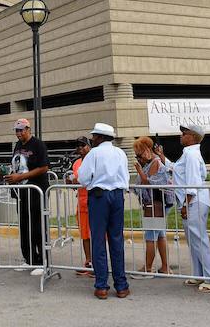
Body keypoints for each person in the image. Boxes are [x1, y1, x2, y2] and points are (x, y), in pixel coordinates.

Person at [77, 123, 130, 299]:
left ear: (99, 137)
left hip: (99, 197)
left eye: (94, 136)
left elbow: (83, 178)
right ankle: (121, 286)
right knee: (116, 240)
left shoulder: (94, 153)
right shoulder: (120, 153)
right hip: (117, 196)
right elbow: (125, 177)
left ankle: (101, 286)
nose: (92, 139)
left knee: (98, 241)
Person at [166, 124, 210, 292]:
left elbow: (193, 181)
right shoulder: (189, 153)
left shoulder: (190, 154)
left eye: (184, 133)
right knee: (194, 240)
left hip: (193, 201)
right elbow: (177, 170)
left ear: (192, 136)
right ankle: (199, 274)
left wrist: (185, 204)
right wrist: (162, 157)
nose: (180, 136)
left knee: (198, 239)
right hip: (193, 201)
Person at [5, 118, 50, 276]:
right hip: (22, 192)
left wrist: (20, 177)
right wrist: (12, 176)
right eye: (16, 130)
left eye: (21, 130)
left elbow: (44, 167)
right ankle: (29, 258)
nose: (18, 133)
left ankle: (42, 261)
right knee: (24, 225)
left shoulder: (38, 144)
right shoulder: (18, 145)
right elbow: (17, 166)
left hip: (36, 190)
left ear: (28, 129)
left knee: (37, 225)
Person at [131, 136, 171, 278]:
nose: (138, 159)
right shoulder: (152, 162)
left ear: (147, 150)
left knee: (151, 236)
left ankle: (148, 268)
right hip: (158, 203)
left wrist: (139, 171)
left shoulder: (155, 162)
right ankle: (165, 267)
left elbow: (149, 183)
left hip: (156, 204)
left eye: (139, 155)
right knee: (160, 235)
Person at [66, 136, 93, 276]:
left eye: (83, 145)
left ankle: (97, 263)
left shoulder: (94, 159)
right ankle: (88, 262)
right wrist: (69, 182)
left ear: (89, 146)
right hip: (81, 202)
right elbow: (74, 185)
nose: (80, 148)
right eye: (78, 146)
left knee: (95, 233)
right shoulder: (76, 163)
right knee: (84, 234)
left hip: (94, 200)